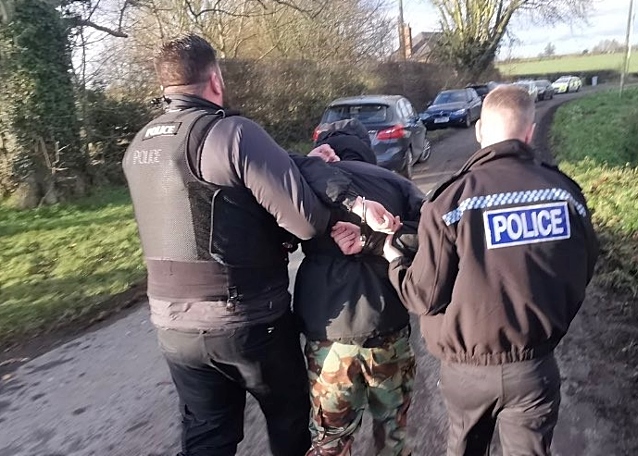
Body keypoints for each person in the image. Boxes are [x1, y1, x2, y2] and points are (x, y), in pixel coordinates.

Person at [121, 34, 395, 456]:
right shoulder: (232, 134)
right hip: (249, 321)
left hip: (173, 328)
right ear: (215, 80)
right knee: (288, 422)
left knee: (207, 436)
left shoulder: (140, 146)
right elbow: (305, 223)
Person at [383, 85, 599, 456]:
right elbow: (583, 268)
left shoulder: (451, 201)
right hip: (534, 366)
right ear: (529, 132)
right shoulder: (567, 195)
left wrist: (395, 262)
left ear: (481, 131)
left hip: (466, 374)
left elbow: (422, 295)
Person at [293, 119, 423, 456]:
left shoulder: (303, 183)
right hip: (387, 328)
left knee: (329, 440)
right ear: (366, 147)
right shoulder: (394, 182)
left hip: (329, 336)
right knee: (392, 432)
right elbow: (434, 232)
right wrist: (378, 240)